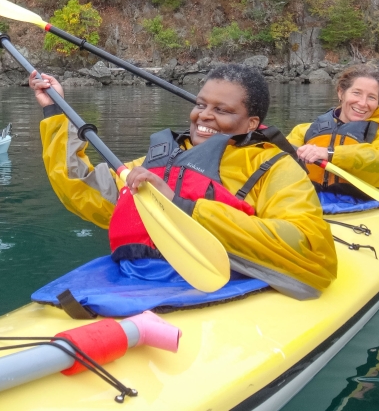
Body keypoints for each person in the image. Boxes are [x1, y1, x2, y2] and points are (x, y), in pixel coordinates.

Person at [30, 64, 337, 300]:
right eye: (201, 104)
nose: (204, 116)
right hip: (142, 279)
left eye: (222, 110)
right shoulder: (162, 160)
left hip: (226, 281)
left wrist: (184, 208)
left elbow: (310, 246)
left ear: (252, 123)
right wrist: (54, 109)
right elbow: (81, 190)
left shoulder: (273, 167)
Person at [287, 64, 379, 196]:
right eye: (356, 93)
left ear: (378, 102)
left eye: (371, 97)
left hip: (361, 202)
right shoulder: (303, 130)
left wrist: (331, 154)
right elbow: (279, 161)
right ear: (341, 92)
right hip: (308, 198)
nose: (362, 103)